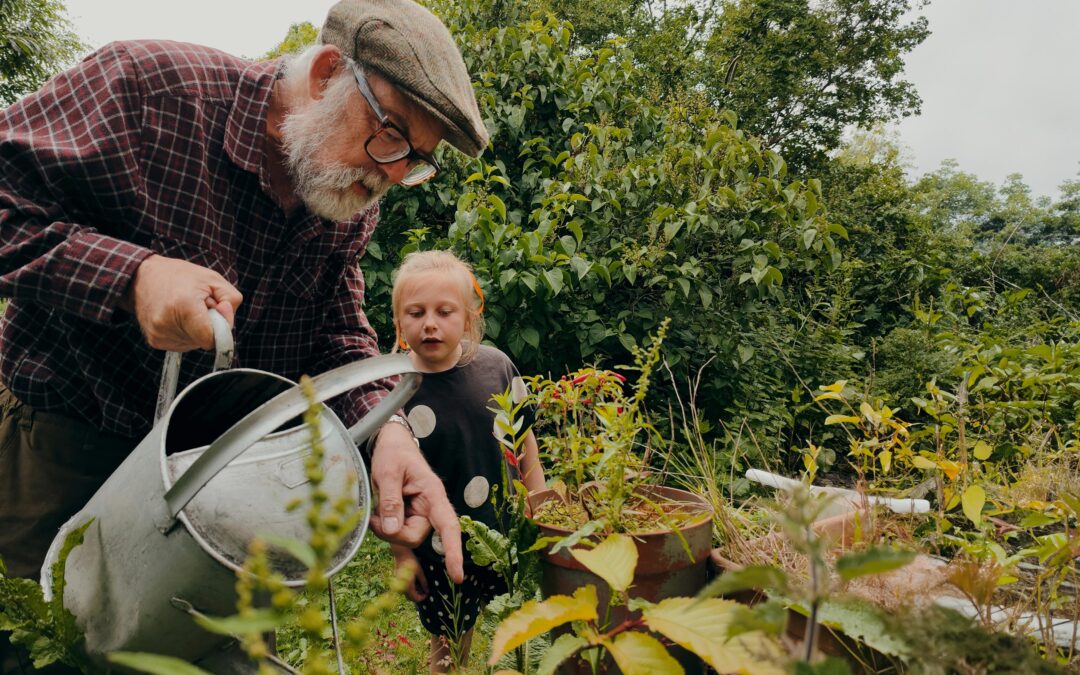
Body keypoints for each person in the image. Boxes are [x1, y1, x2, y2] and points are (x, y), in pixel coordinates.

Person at [0, 0, 486, 671]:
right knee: (39, 652)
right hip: (67, 456)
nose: (394, 175)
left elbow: (335, 335)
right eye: (393, 137)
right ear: (323, 76)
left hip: (221, 492)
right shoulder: (149, 91)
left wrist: (387, 432)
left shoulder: (344, 197)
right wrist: (132, 277)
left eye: (417, 160)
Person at [387, 250, 545, 673]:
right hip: (437, 545)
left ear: (470, 318)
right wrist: (402, 553)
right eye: (416, 313)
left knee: (517, 620)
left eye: (445, 311)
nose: (431, 323)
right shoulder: (393, 388)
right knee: (451, 635)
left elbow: (523, 436)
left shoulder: (495, 367)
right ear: (399, 323)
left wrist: (541, 495)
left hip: (502, 529)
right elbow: (388, 484)